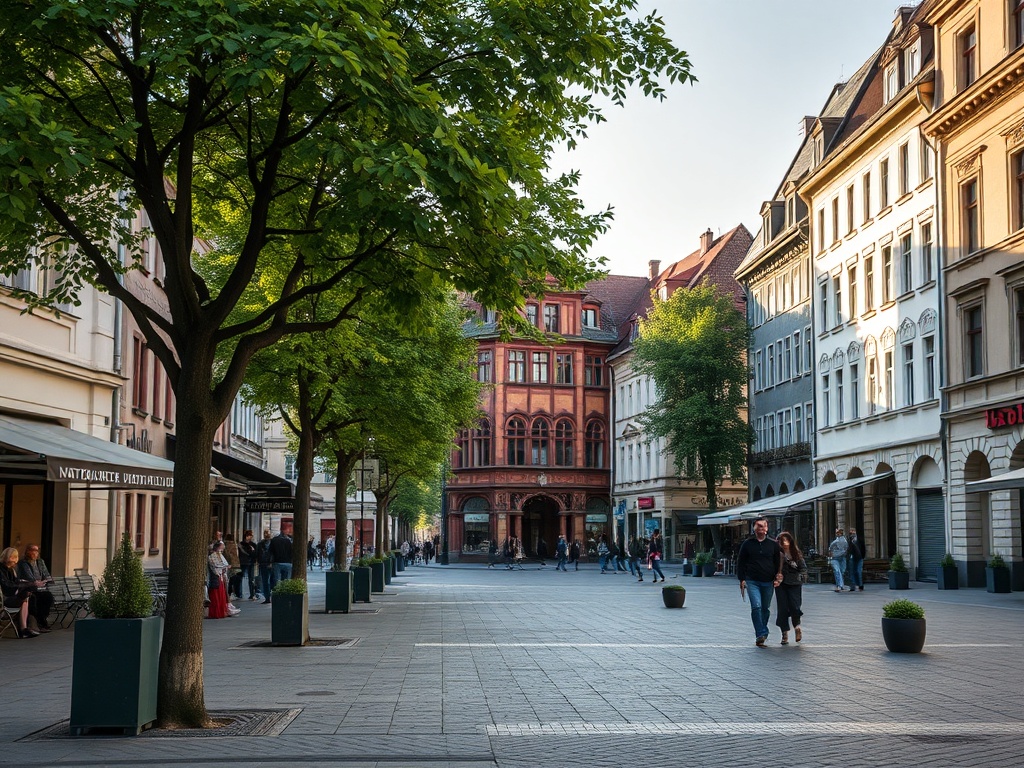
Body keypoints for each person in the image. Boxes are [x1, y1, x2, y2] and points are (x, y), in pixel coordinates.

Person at [736, 517, 783, 647]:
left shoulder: (773, 544)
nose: (761, 528)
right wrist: (742, 579)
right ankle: (760, 633)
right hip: (752, 581)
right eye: (759, 526)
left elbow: (778, 561)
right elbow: (741, 562)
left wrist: (778, 577)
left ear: (767, 528)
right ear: (754, 528)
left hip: (768, 581)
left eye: (763, 526)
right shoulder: (747, 544)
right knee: (756, 606)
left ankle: (762, 630)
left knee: (765, 608)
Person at [1, 546, 50, 636]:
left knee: (34, 596)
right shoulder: (4, 569)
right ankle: (26, 627)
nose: (16, 560)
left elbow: (15, 582)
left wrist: (28, 583)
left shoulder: (10, 569)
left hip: (9, 595)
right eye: (14, 557)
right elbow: (8, 585)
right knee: (28, 596)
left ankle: (30, 626)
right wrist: (31, 584)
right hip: (4, 599)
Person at [774, 531, 807, 645]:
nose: (783, 543)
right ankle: (784, 633)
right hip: (781, 583)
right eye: (780, 541)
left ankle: (797, 627)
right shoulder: (777, 554)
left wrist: (801, 576)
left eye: (785, 540)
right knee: (782, 608)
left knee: (795, 606)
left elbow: (803, 567)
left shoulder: (796, 553)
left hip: (794, 583)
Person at [207, 540, 238, 618]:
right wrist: (224, 567)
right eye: (221, 546)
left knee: (221, 595)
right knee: (217, 596)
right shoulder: (213, 556)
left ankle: (223, 610)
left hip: (220, 576)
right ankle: (217, 612)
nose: (223, 548)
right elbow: (215, 566)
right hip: (217, 577)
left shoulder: (219, 555)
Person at [237, 530, 259, 600]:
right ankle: (251, 594)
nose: (250, 537)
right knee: (250, 578)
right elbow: (254, 554)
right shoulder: (252, 545)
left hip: (244, 562)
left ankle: (242, 594)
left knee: (245, 578)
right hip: (248, 562)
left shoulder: (241, 544)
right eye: (250, 536)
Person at [828, 528, 849, 593]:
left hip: (841, 558)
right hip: (835, 558)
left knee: (841, 572)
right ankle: (839, 586)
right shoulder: (835, 542)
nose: (838, 534)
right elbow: (830, 549)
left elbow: (846, 549)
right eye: (837, 533)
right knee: (837, 571)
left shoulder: (844, 541)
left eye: (839, 533)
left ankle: (840, 585)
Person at [257, 529, 275, 604]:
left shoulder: (274, 543)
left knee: (272, 581)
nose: (266, 534)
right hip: (264, 564)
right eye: (265, 533)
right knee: (266, 581)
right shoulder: (260, 543)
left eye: (267, 533)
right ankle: (267, 597)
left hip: (271, 564)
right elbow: (258, 553)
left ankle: (270, 597)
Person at [846, 527, 865, 592]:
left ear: (855, 532)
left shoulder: (859, 540)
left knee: (858, 571)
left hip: (859, 558)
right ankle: (852, 586)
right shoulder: (849, 540)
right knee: (851, 572)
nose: (852, 532)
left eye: (853, 531)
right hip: (852, 558)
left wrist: (862, 556)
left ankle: (860, 585)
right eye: (851, 531)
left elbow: (863, 548)